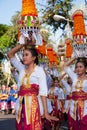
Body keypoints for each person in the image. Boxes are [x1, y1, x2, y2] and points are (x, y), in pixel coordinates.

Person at [7, 40, 58, 130]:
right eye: (23, 55)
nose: (24, 57)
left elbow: (43, 93)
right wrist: (23, 44)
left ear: (34, 57)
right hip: (20, 106)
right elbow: (10, 54)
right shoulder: (21, 68)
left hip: (33, 107)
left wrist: (46, 113)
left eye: (26, 55)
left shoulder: (39, 71)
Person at [64, 57, 87, 130]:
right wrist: (74, 57)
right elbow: (65, 66)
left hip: (85, 106)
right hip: (73, 105)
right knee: (73, 124)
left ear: (85, 68)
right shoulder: (74, 77)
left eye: (81, 67)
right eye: (76, 67)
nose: (78, 69)